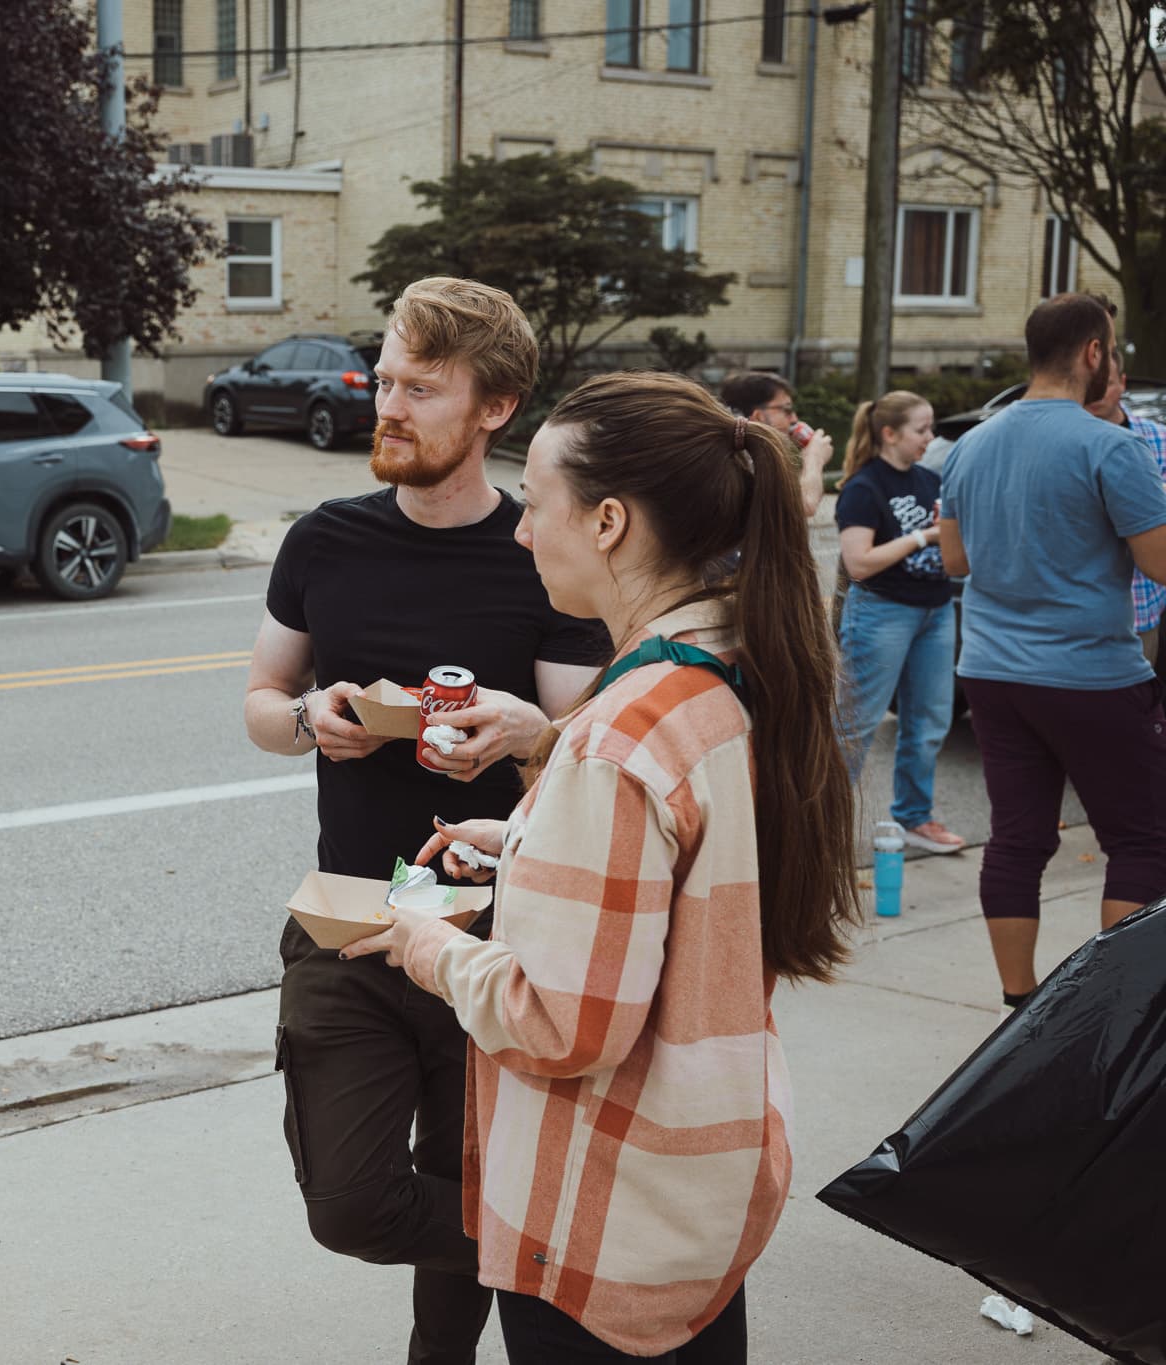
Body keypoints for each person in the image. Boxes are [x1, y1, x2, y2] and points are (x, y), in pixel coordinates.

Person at [343, 369, 861, 1363]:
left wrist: (423, 941)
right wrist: (526, 843)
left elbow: (560, 1025)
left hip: (603, 1216)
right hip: (696, 1189)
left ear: (609, 522)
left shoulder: (617, 737)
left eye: (536, 505)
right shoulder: (731, 664)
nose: (521, 532)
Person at [243, 276, 611, 1365]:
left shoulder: (539, 553)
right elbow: (261, 701)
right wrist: (309, 718)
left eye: (420, 388)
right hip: (349, 917)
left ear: (495, 407)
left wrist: (521, 732)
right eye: (385, 381)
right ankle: (555, 1248)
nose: (388, 407)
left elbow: (587, 753)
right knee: (351, 1204)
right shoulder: (324, 539)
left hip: (495, 936)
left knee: (459, 1192)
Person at [939, 292, 1166, 1007]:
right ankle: (1119, 1009)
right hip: (1090, 672)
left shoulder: (972, 443)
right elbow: (1160, 563)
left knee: (1017, 838)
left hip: (991, 671)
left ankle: (1021, 1004)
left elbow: (954, 561)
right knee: (1142, 839)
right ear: (1093, 353)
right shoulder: (1111, 446)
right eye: (1113, 350)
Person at [833, 389, 965, 854]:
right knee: (855, 726)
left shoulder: (930, 480)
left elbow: (951, 548)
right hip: (881, 613)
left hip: (936, 612)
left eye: (931, 428)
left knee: (929, 722)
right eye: (921, 430)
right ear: (889, 434)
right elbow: (859, 563)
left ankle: (914, 818)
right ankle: (818, 827)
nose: (930, 438)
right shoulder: (863, 487)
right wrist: (924, 536)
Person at [1083, 350, 1166, 668]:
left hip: (1143, 607)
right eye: (1090, 384)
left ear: (1123, 383)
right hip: (1081, 614)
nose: (1096, 394)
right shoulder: (1068, 443)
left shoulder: (1158, 438)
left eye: (1106, 384)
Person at [720, 370, 832, 518]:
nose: (794, 419)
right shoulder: (745, 460)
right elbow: (804, 506)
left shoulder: (728, 451)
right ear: (758, 416)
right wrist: (814, 458)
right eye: (787, 410)